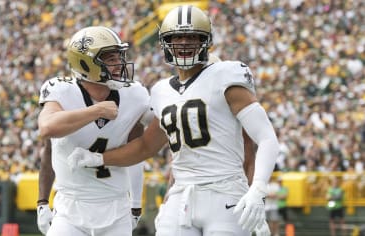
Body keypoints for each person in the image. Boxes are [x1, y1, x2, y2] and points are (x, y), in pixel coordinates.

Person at [66, 5, 279, 236]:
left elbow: (266, 138)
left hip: (226, 193)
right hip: (181, 197)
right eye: (177, 37)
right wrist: (98, 158)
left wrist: (257, 190)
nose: (184, 43)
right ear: (165, 42)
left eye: (192, 37)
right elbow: (146, 146)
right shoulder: (161, 91)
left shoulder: (226, 75)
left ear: (205, 41)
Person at [37, 26, 150, 236]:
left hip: (116, 207)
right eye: (110, 59)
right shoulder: (61, 90)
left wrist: (135, 203)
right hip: (70, 208)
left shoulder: (135, 95)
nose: (119, 64)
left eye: (119, 57)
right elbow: (47, 129)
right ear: (85, 62)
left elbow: (139, 151)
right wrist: (96, 110)